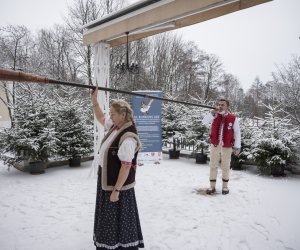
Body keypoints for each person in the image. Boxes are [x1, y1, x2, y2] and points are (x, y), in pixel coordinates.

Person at [91, 86, 144, 250]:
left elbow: (126, 168)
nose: (110, 116)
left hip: (117, 185)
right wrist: (94, 100)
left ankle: (119, 245)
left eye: (113, 114)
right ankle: (108, 243)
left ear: (123, 114)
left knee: (117, 217)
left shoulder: (128, 137)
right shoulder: (116, 126)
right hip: (107, 180)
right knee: (108, 217)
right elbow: (101, 117)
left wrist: (116, 191)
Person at [202, 98, 241, 195]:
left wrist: (237, 146)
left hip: (227, 145)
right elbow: (204, 122)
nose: (220, 106)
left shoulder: (233, 118)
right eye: (219, 104)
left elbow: (237, 132)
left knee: (226, 166)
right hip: (215, 144)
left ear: (227, 106)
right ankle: (212, 186)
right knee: (213, 165)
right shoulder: (214, 115)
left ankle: (225, 187)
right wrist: (212, 114)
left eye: (222, 105)